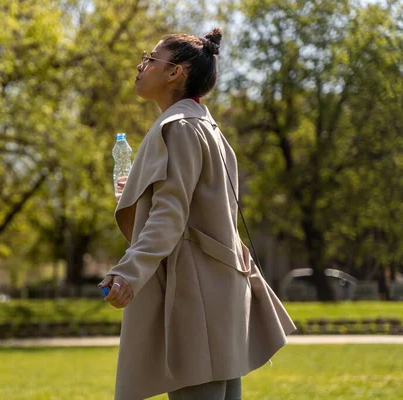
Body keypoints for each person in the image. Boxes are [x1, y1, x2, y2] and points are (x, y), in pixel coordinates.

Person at [98, 28, 297, 400]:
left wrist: (128, 271)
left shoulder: (180, 127)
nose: (141, 66)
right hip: (220, 293)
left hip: (196, 296)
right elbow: (191, 208)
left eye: (151, 59)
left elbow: (170, 216)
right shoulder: (206, 126)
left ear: (176, 72)